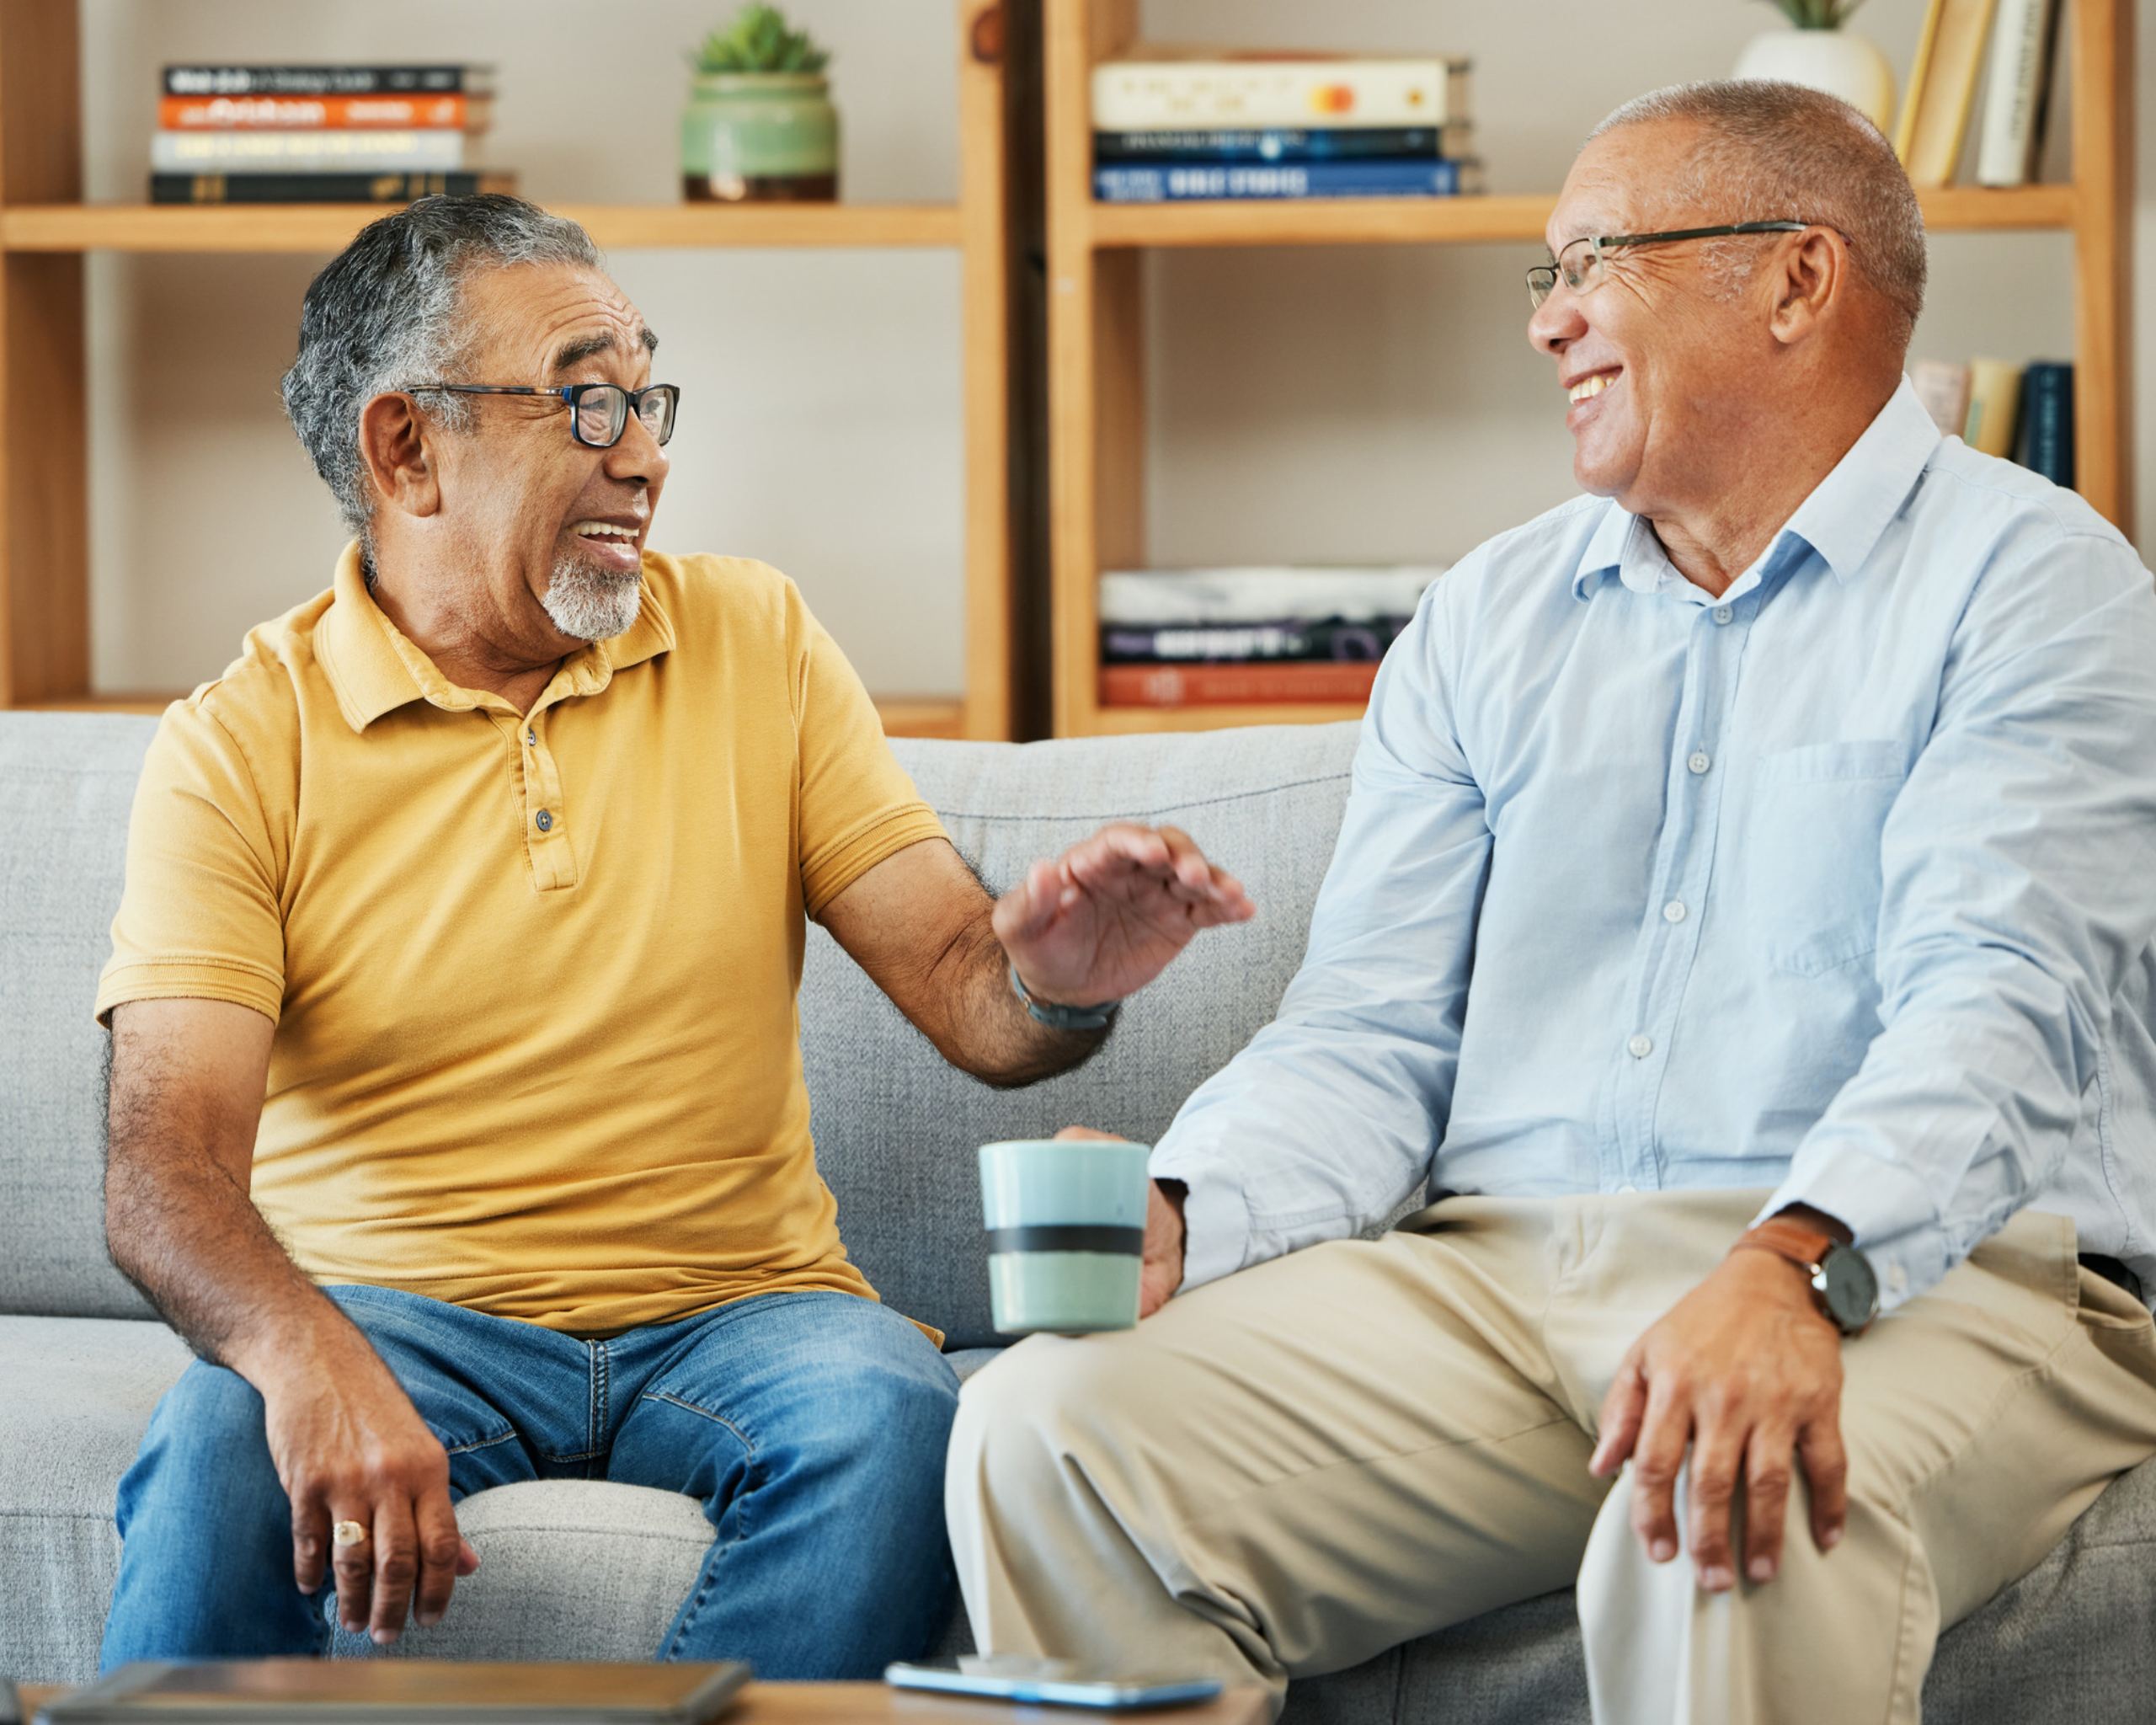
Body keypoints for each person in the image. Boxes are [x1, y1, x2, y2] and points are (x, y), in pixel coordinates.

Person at [945, 81, 2156, 1725]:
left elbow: (1998, 997)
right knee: (1046, 1429)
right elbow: (1366, 1033)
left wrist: (1788, 1264)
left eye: (1593, 259)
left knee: (1718, 1505)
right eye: (1541, 275)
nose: (1548, 321)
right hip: (1500, 1278)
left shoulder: (2032, 582)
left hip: (1925, 1272)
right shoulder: (1483, 617)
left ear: (1796, 280)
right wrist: (1182, 1212)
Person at [94, 194, 1252, 1676]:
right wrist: (304, 1356)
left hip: (743, 1312)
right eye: (586, 398)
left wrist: (1057, 979)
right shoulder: (242, 744)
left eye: (647, 396)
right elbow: (163, 1174)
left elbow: (979, 1004)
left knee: (894, 1421)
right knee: (215, 1448)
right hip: (399, 1309)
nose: (643, 453)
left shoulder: (754, 639)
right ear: (406, 448)